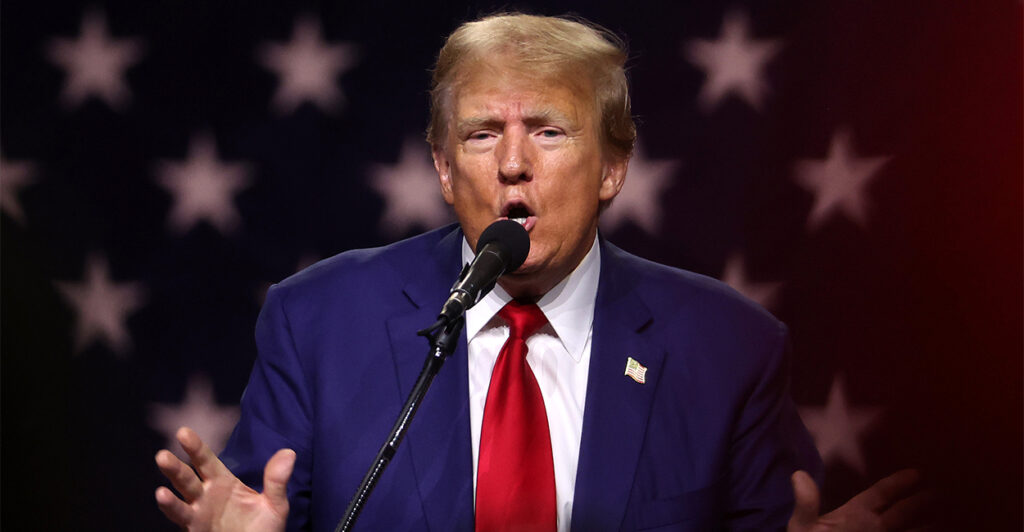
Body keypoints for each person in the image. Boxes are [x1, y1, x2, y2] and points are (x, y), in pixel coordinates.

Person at [155, 13, 922, 532]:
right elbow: (257, 509)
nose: (514, 165)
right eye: (483, 133)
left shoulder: (730, 347)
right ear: (445, 169)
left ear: (613, 167)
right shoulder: (319, 320)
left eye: (549, 131)